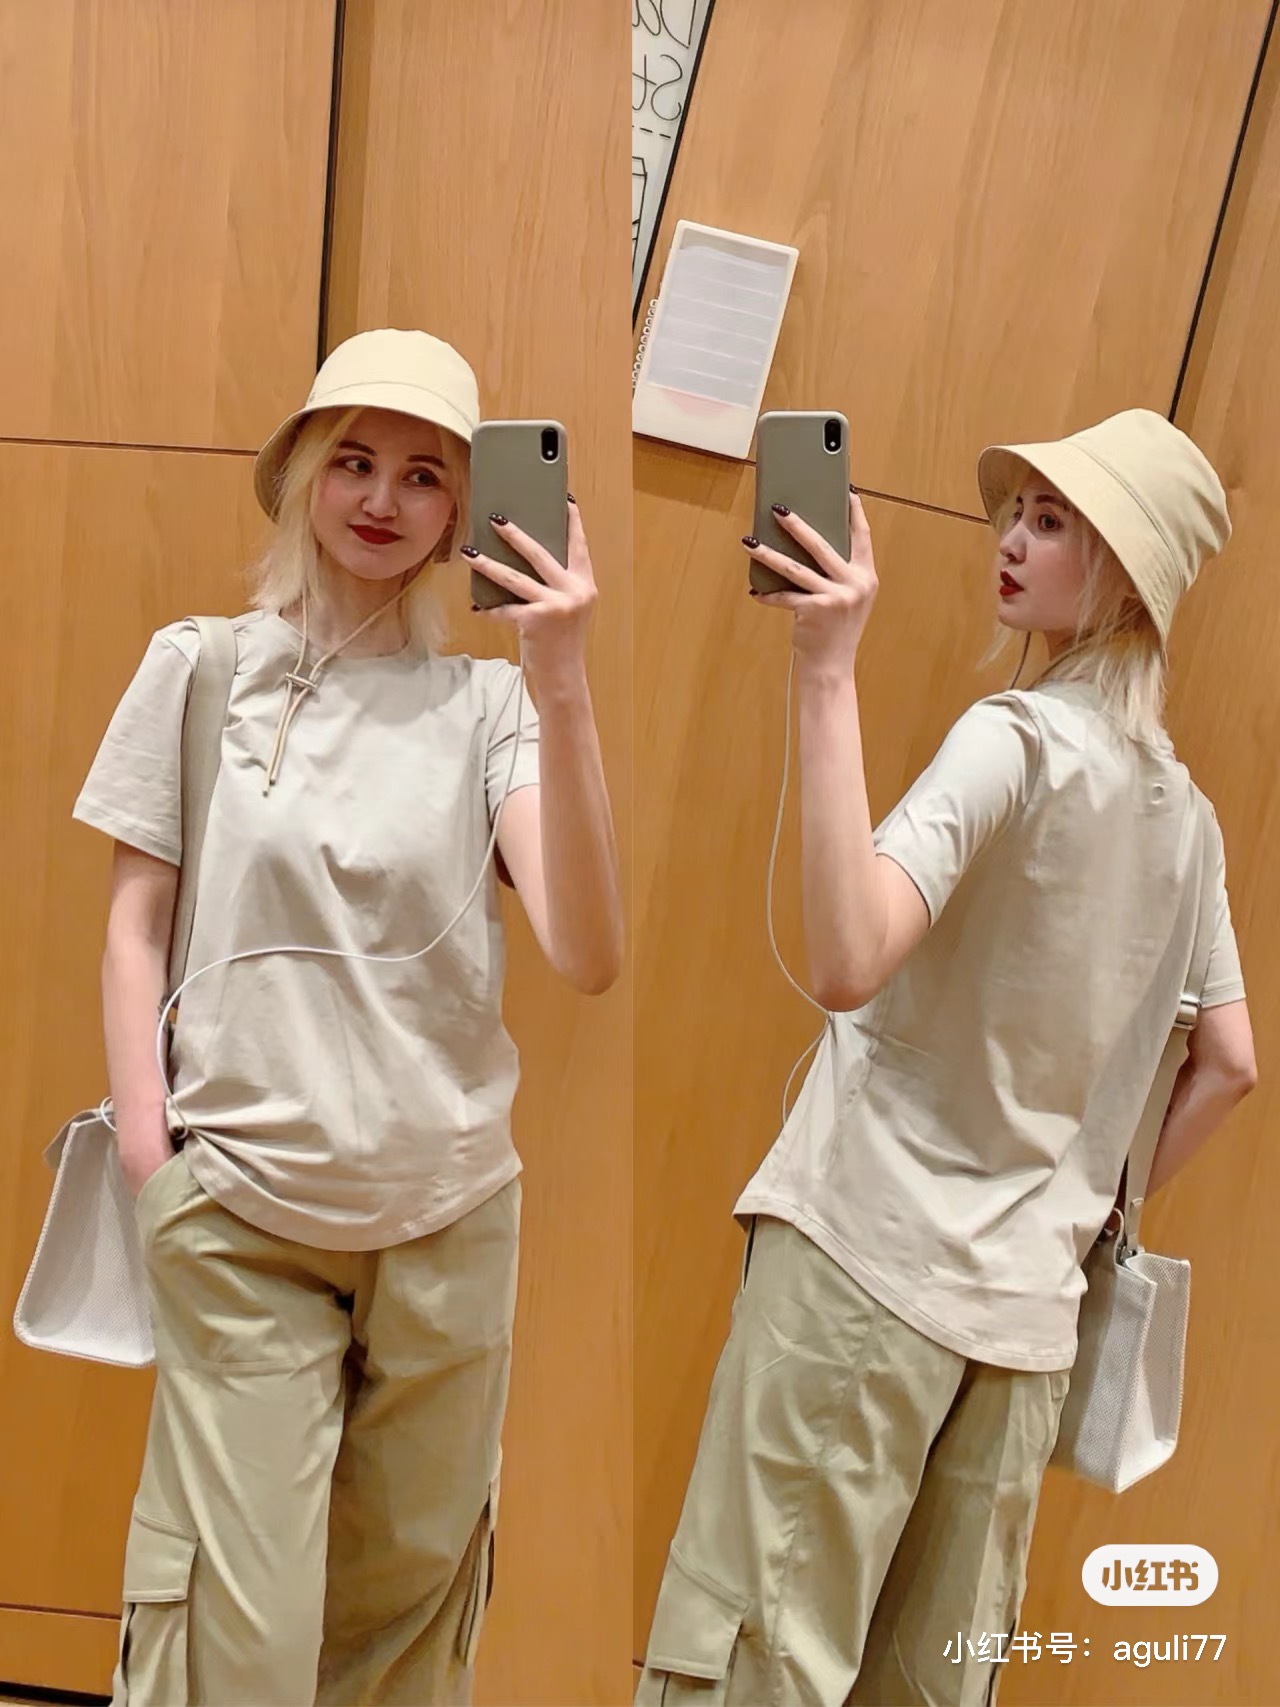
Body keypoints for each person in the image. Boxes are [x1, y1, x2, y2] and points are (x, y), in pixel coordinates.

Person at [637, 409, 1256, 1707]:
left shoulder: (1013, 741)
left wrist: (825, 670)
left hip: (864, 1267)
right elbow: (1230, 1061)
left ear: (1125, 574)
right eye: (1016, 513)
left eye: (1052, 521)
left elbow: (849, 956)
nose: (1011, 540)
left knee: (750, 1666)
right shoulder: (1189, 824)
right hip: (1025, 1333)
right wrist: (1089, 1201)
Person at [74, 328, 623, 1705]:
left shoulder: (489, 706)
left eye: (426, 476)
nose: (383, 499)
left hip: (447, 1219)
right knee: (239, 1637)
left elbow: (588, 951)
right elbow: (136, 924)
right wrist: (150, 1160)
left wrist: (561, 674)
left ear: (463, 513)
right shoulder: (200, 668)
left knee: (403, 1630)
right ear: (306, 474)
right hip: (242, 1213)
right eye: (356, 461)